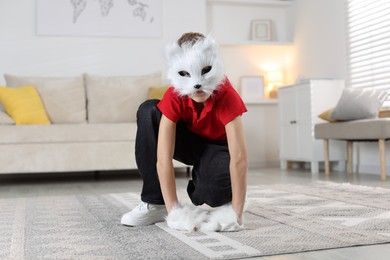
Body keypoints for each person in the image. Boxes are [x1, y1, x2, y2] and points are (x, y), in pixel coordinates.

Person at [121, 32, 248, 230]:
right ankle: (156, 202)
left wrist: (237, 213)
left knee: (208, 194)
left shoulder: (227, 95)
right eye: (186, 74)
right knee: (149, 110)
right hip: (188, 143)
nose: (196, 85)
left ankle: (211, 186)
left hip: (217, 147)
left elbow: (239, 157)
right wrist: (174, 212)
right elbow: (163, 159)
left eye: (204, 70)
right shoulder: (175, 94)